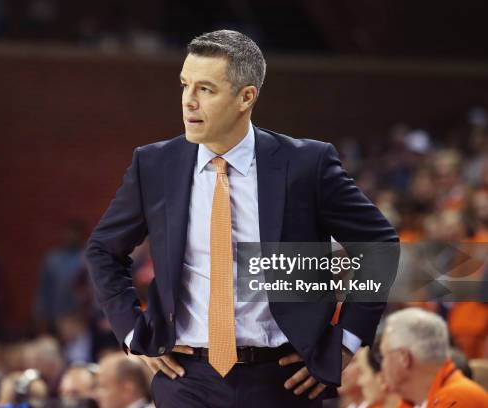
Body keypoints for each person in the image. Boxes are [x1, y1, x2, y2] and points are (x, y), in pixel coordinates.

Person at [86, 29, 398, 407]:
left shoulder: (306, 164)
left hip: (283, 380)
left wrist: (346, 341)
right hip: (187, 377)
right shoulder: (154, 164)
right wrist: (135, 334)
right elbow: (103, 249)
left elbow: (379, 243)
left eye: (206, 89)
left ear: (245, 97)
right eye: (185, 85)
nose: (188, 102)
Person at [379, 308, 488, 407]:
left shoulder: (456, 401)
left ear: (404, 358)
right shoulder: (415, 401)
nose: (381, 366)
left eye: (383, 355)